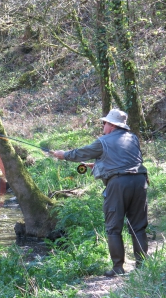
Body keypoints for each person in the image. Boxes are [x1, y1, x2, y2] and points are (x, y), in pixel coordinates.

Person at [52, 109, 149, 277]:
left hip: (118, 184)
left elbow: (80, 153)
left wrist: (63, 155)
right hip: (140, 181)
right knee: (138, 226)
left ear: (111, 125)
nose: (102, 125)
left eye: (104, 122)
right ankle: (142, 266)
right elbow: (124, 160)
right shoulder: (132, 138)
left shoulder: (102, 141)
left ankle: (118, 267)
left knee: (113, 227)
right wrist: (96, 166)